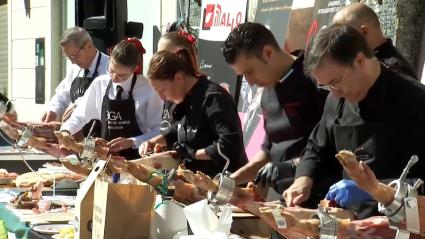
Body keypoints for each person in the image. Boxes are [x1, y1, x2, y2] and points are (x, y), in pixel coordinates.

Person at [283, 24, 425, 217]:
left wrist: (374, 188)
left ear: (359, 61)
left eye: (335, 82)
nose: (334, 92)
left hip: (398, 222)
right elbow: (316, 147)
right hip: (348, 222)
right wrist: (303, 179)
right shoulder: (335, 101)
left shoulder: (415, 101)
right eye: (325, 86)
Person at [222, 22, 326, 194]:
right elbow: (267, 151)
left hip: (319, 197)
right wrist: (229, 182)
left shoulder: (314, 79)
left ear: (268, 53)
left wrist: (289, 166)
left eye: (250, 71)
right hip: (286, 199)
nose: (250, 82)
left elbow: (329, 147)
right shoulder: (267, 91)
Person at [139, 49, 248, 177]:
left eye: (162, 91)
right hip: (197, 183)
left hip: (225, 184)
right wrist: (155, 141)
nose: (162, 98)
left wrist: (193, 154)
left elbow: (230, 143)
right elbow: (182, 130)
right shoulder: (185, 98)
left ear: (178, 78)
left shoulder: (213, 97)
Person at [60, 38, 161, 160]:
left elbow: (159, 131)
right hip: (104, 158)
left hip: (137, 160)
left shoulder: (148, 89)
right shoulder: (99, 84)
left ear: (134, 70)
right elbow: (80, 116)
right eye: (111, 71)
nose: (114, 78)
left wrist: (132, 141)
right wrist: (66, 131)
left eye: (121, 76)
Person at [43, 27, 109, 136]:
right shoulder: (75, 70)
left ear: (88, 46)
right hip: (77, 138)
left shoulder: (110, 67)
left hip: (102, 137)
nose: (73, 62)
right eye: (69, 58)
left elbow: (105, 99)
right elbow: (62, 94)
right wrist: (53, 109)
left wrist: (79, 105)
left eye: (74, 56)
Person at [332, 2, 417, 79]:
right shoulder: (368, 62)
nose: (340, 44)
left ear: (364, 31)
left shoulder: (394, 71)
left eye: (343, 37)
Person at [156, 31, 199, 134]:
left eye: (163, 56)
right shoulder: (165, 90)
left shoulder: (205, 96)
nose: (157, 61)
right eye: (157, 54)